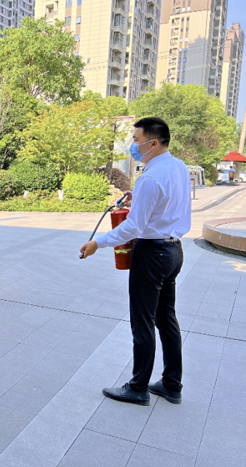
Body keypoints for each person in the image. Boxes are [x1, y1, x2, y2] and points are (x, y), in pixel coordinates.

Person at [80, 117, 190, 406]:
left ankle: (138, 387)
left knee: (143, 321)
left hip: (151, 253)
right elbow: (167, 204)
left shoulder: (150, 178)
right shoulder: (178, 167)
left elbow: (133, 227)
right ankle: (172, 384)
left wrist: (98, 243)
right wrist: (137, 198)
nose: (132, 144)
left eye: (136, 139)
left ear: (152, 143)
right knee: (166, 319)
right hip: (173, 251)